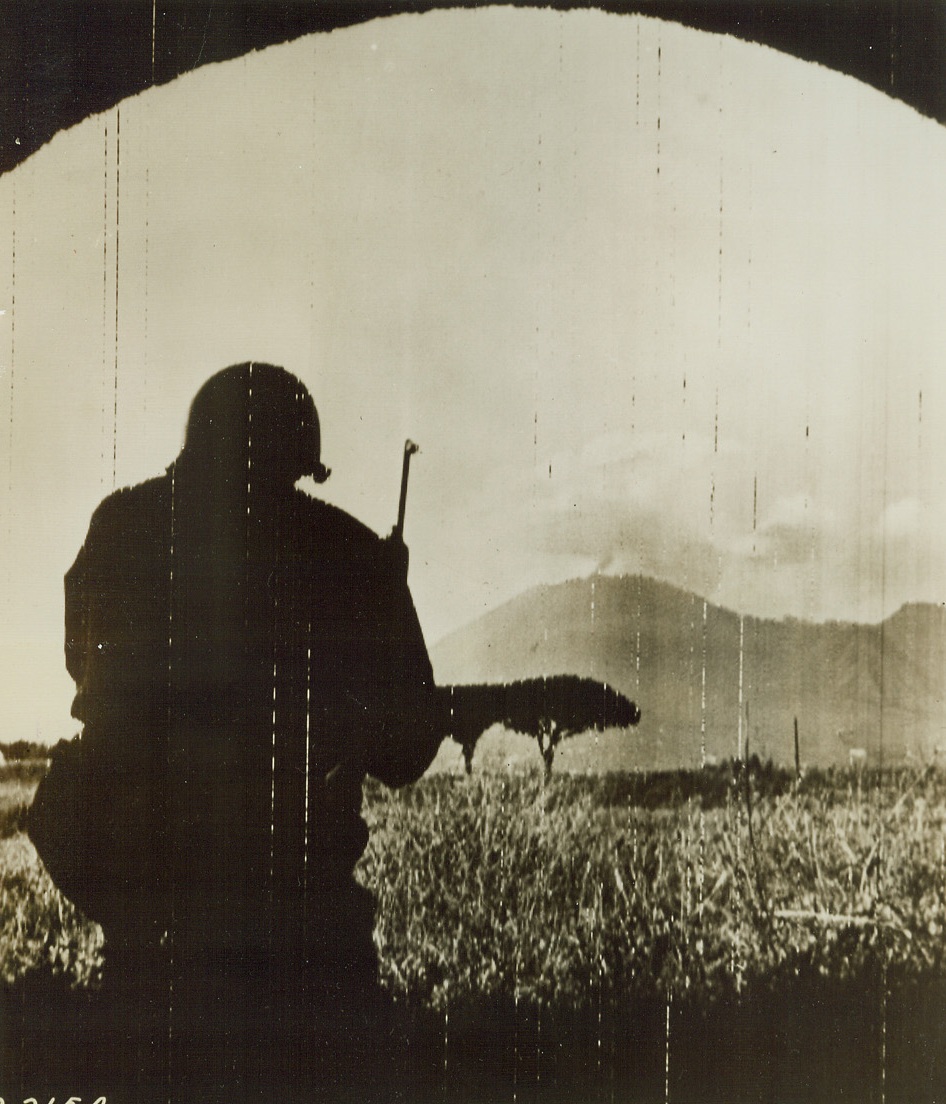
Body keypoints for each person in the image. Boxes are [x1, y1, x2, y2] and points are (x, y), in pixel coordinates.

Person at [29, 362, 444, 1100]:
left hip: (152, 948)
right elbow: (408, 750)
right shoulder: (345, 551)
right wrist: (388, 596)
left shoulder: (121, 526)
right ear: (298, 457)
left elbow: (81, 670)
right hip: (309, 957)